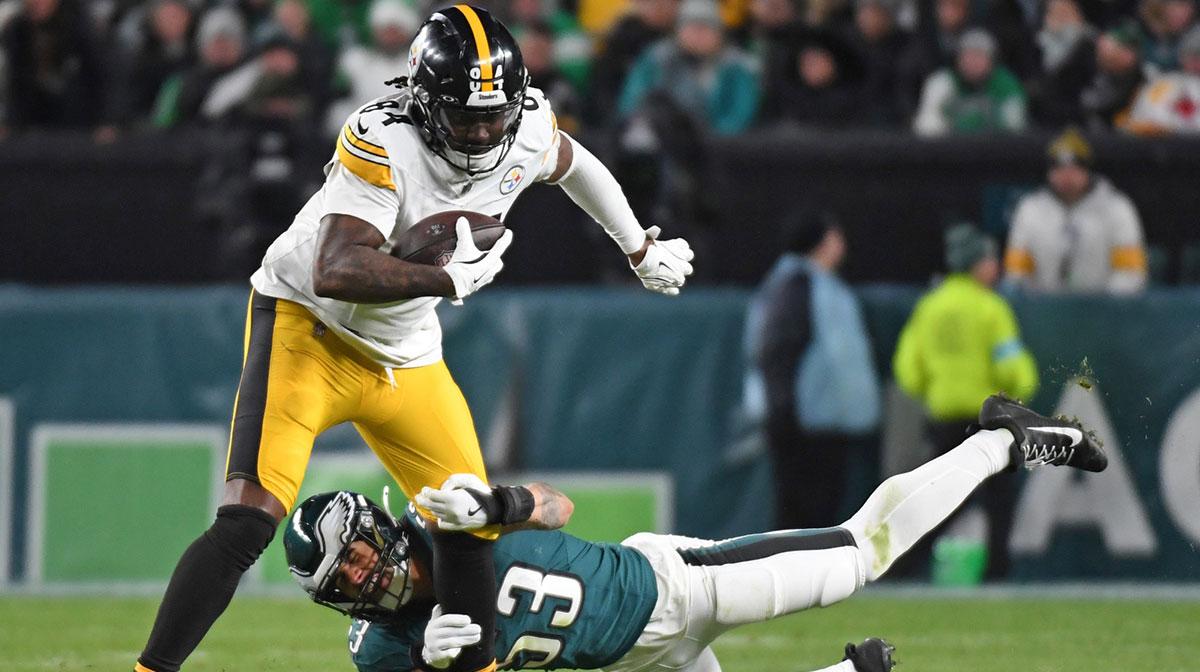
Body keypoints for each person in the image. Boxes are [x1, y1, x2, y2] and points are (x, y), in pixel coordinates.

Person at [133, 7, 695, 672]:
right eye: (466, 116)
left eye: (496, 114)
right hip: (310, 331)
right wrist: (442, 279)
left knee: (470, 523)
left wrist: (635, 244)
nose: (485, 130)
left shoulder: (526, 126)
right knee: (248, 520)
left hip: (406, 354)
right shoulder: (383, 138)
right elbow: (335, 268)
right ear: (425, 105)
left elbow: (574, 164)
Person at [284, 394, 1107, 672]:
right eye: (343, 580)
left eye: (357, 553)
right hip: (629, 660)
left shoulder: (443, 526)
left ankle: (1000, 439)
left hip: (678, 585)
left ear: (380, 528)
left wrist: (497, 507)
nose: (362, 576)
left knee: (862, 553)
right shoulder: (381, 652)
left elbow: (557, 506)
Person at [892, 223, 1038, 580]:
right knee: (999, 501)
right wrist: (1021, 390)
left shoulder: (930, 306)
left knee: (936, 502)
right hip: (987, 421)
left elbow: (907, 367)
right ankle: (996, 572)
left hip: (944, 420)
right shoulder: (991, 308)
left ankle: (905, 568)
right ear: (977, 265)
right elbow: (1014, 368)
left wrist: (934, 389)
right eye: (989, 260)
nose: (995, 266)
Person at [745, 212, 881, 530]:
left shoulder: (817, 286)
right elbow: (778, 352)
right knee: (803, 508)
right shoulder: (797, 286)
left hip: (821, 418)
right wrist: (784, 413)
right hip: (803, 421)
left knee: (821, 506)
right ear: (821, 243)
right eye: (835, 237)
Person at [1005, 127, 1148, 293]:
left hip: (1102, 310)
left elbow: (1131, 272)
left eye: (1074, 169)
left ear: (1086, 171)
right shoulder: (1030, 209)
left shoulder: (1116, 208)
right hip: (1046, 309)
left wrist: (1102, 307)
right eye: (1059, 169)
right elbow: (1016, 272)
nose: (1066, 176)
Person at [617, 0, 760, 135]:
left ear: (719, 33)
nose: (697, 35)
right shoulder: (656, 60)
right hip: (660, 141)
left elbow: (741, 114)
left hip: (717, 146)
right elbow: (633, 102)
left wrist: (710, 141)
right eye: (691, 28)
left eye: (705, 28)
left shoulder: (736, 67)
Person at [912, 28, 1027, 135]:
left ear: (992, 61)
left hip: (996, 150)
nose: (973, 62)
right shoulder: (942, 82)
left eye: (979, 56)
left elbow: (1015, 125)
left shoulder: (1006, 83)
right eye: (968, 55)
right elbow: (926, 124)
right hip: (950, 150)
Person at [1126, 25, 1200, 134]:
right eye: (1194, 56)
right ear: (1183, 58)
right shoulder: (1162, 84)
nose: (1197, 63)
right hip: (1165, 146)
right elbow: (1143, 119)